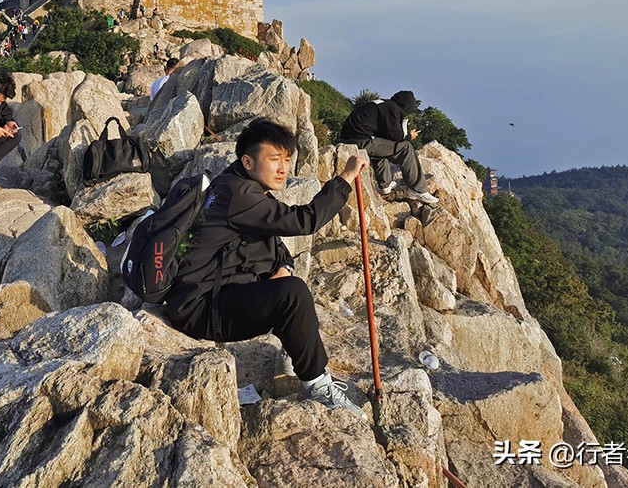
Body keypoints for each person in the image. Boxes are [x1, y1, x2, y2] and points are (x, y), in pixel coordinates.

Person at [163, 118, 370, 418]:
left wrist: (283, 266)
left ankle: (295, 349)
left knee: (286, 280)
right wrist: (345, 178)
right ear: (247, 161)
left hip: (210, 295)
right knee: (293, 294)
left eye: (287, 159)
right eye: (274, 159)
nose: (283, 168)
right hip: (199, 311)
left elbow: (273, 240)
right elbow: (305, 221)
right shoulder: (239, 195)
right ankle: (317, 385)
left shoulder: (238, 185)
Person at [339, 90, 438, 205]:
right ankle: (418, 190)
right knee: (406, 148)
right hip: (360, 141)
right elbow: (396, 136)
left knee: (382, 144)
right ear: (407, 107)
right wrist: (409, 136)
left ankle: (385, 185)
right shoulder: (392, 109)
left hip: (351, 138)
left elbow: (386, 137)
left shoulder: (383, 104)